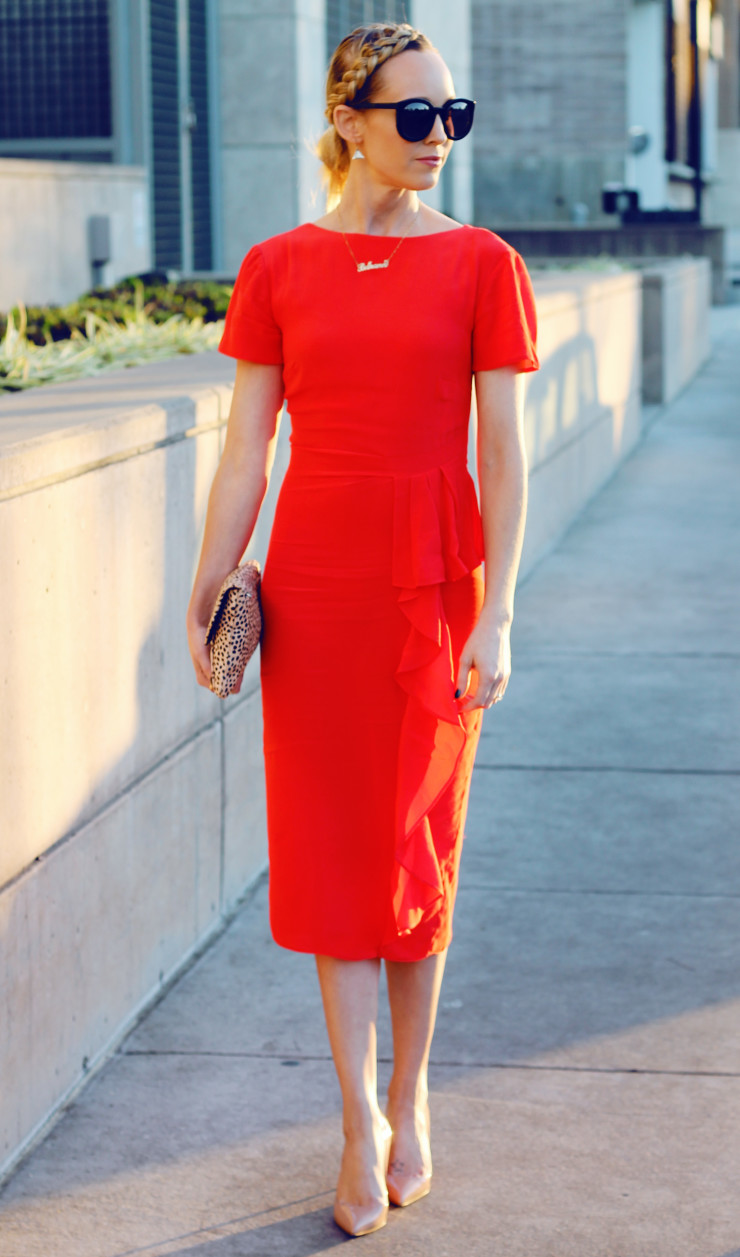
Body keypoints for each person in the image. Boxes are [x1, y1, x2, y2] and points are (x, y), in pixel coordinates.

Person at [187, 21, 539, 1239]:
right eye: (414, 116)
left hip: (437, 583)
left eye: (454, 116)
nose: (437, 137)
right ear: (347, 122)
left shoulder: (482, 263)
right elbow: (246, 445)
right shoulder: (278, 266)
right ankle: (357, 1120)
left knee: (417, 845)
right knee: (337, 850)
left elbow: (499, 447)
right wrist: (210, 579)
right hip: (319, 582)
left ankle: (412, 1088)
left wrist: (498, 607)